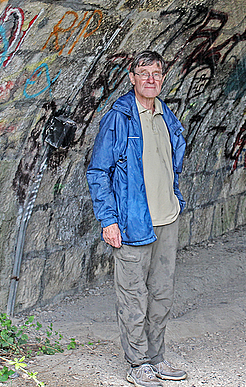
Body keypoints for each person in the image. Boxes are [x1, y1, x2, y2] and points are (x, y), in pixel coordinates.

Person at [86, 50, 187, 387]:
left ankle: (157, 357)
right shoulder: (120, 118)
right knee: (132, 295)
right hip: (132, 222)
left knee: (162, 292)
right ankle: (137, 362)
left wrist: (175, 198)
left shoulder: (165, 114)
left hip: (166, 219)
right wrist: (108, 220)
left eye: (156, 73)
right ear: (131, 78)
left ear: (162, 77)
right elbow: (98, 170)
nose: (150, 79)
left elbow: (172, 162)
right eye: (143, 73)